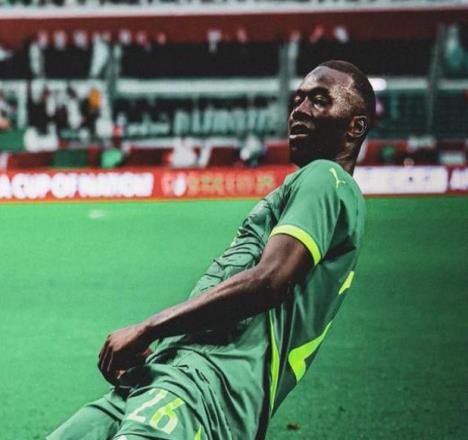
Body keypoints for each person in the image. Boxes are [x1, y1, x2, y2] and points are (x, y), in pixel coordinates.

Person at [48, 60, 375, 440]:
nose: (299, 110)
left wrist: (148, 329)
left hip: (205, 385)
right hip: (161, 374)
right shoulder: (310, 185)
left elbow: (270, 280)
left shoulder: (325, 177)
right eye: (297, 99)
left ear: (356, 127)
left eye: (319, 100)